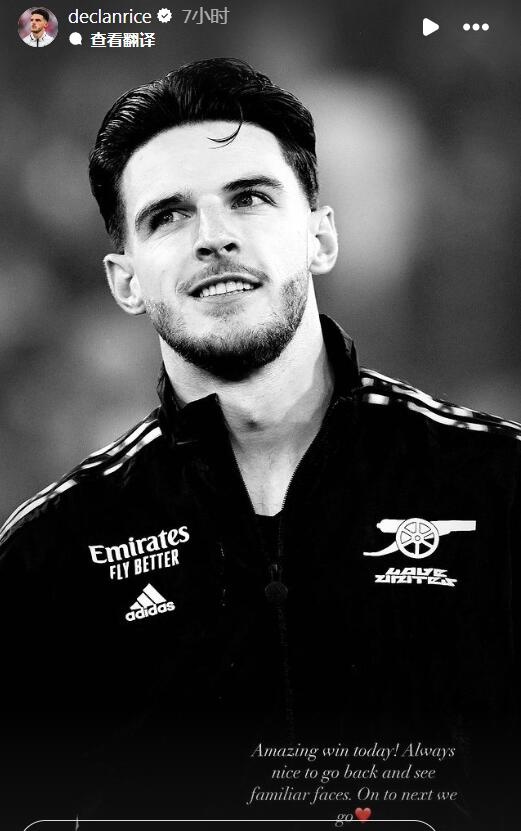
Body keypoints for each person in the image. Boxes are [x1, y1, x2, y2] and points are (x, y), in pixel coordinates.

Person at [0, 58, 517, 829]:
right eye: (168, 215)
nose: (215, 237)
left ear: (320, 236)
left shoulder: (497, 487)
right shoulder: (50, 558)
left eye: (248, 197)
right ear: (124, 280)